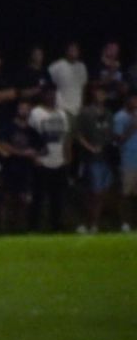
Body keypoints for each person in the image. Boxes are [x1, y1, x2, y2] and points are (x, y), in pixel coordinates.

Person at [71, 83, 114, 234]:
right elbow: (78, 134)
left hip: (106, 158)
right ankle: (86, 222)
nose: (100, 95)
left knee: (102, 193)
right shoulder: (85, 112)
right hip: (90, 159)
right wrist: (90, 147)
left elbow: (110, 135)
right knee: (92, 192)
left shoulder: (108, 114)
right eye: (98, 92)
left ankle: (95, 224)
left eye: (103, 93)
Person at [0, 99, 42, 234]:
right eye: (21, 108)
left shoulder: (32, 131)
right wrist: (21, 153)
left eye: (27, 108)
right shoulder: (8, 127)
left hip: (25, 169)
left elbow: (38, 148)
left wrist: (34, 155)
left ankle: (18, 228)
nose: (24, 111)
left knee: (23, 199)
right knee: (5, 198)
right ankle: (2, 228)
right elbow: (2, 144)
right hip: (9, 167)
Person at [28, 87, 71, 232]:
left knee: (57, 197)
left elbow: (66, 137)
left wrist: (67, 157)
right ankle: (34, 227)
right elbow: (31, 136)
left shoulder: (62, 114)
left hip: (59, 160)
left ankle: (56, 226)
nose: (51, 97)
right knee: (38, 197)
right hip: (42, 160)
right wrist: (35, 156)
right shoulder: (36, 113)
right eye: (48, 94)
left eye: (53, 94)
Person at [113, 91, 137, 233]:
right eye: (133, 99)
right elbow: (118, 141)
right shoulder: (120, 117)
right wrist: (132, 127)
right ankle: (124, 223)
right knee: (125, 194)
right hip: (128, 160)